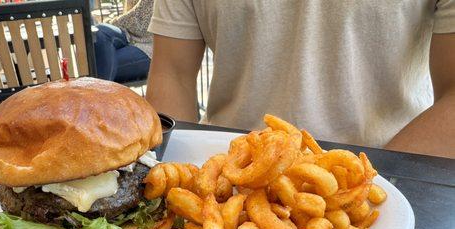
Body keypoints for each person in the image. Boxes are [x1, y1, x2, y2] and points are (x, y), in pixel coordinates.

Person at [145, 1, 455, 158]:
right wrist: (175, 184)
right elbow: (173, 75)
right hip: (227, 184)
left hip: (393, 182)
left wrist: (370, 184)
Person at [93, 0, 154, 83]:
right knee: (99, 32)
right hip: (128, 33)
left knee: (100, 64)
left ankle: (100, 94)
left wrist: (110, 22)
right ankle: (99, 92)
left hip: (150, 46)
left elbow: (142, 25)